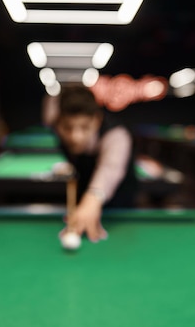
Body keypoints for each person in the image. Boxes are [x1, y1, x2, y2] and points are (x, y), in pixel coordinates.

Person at [43, 84, 138, 243]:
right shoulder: (54, 123)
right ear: (58, 122)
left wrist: (93, 198)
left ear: (97, 120)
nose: (76, 137)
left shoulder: (116, 135)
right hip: (83, 195)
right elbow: (49, 103)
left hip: (121, 208)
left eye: (84, 127)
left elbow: (110, 168)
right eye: (67, 127)